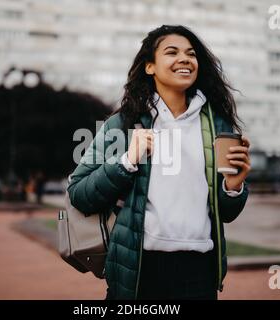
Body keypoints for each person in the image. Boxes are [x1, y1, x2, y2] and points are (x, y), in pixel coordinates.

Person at [68, 25, 250, 300]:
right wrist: (127, 160)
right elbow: (79, 193)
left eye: (191, 54)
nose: (185, 59)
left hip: (200, 272)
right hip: (140, 270)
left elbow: (226, 213)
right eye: (172, 52)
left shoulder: (217, 125)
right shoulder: (123, 123)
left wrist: (233, 187)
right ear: (150, 67)